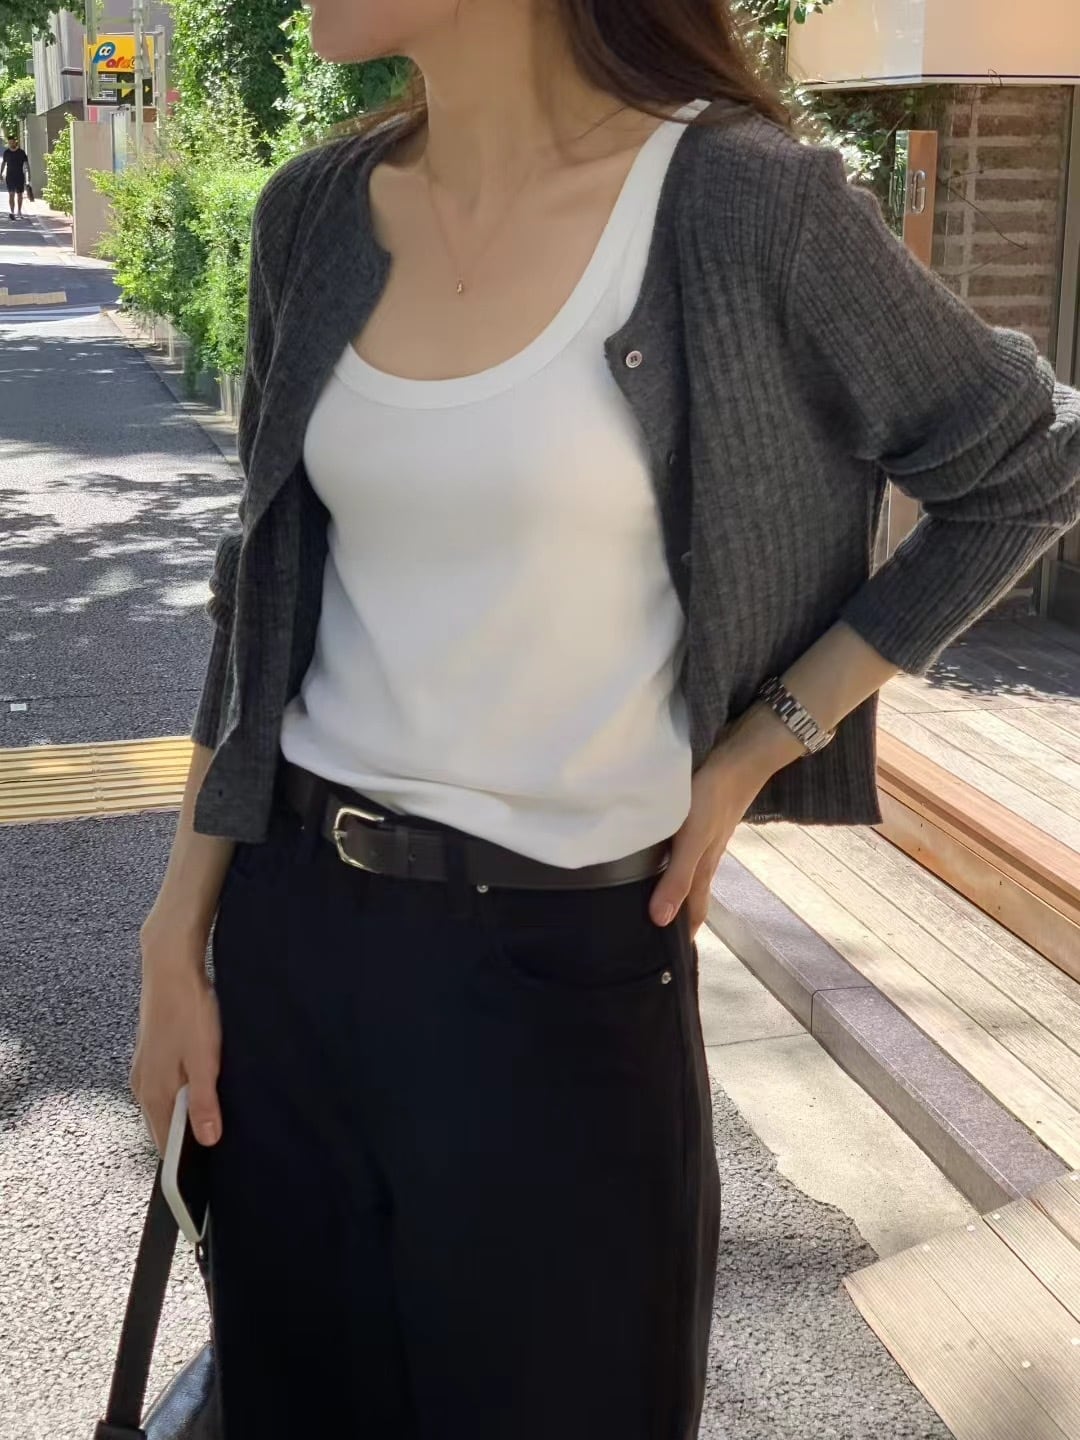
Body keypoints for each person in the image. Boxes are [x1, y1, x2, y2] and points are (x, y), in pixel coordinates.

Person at [130, 1, 1080, 1435]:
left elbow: (1026, 470)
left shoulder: (746, 207)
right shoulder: (310, 215)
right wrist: (176, 934)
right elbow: (256, 591)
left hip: (560, 985)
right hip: (292, 947)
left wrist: (768, 738)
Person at [1, 134, 29, 218]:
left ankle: (19, 211)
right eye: (9, 143)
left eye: (12, 142)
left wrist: (29, 174)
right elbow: (3, 163)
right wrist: (0, 173)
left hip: (19, 176)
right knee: (11, 194)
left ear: (15, 142)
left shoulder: (21, 152)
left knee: (19, 195)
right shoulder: (6, 152)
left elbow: (26, 164)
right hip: (10, 177)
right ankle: (12, 212)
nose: (11, 144)